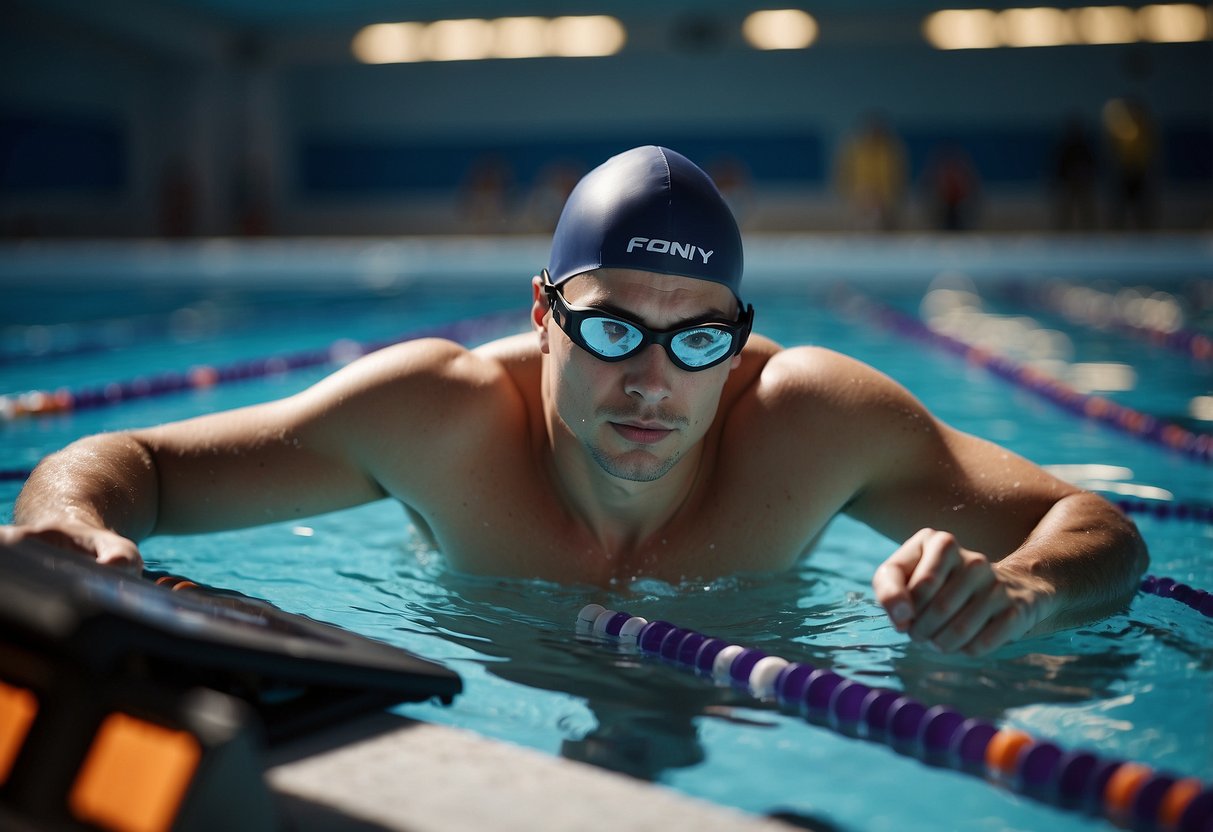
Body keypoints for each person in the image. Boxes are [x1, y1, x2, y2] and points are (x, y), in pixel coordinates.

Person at [3, 145, 1148, 657]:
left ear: (737, 341)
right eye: (609, 329)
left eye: (696, 338)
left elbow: (1102, 530)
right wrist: (69, 517)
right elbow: (134, 462)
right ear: (542, 315)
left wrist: (1019, 590)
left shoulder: (812, 417)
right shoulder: (435, 415)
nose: (650, 378)